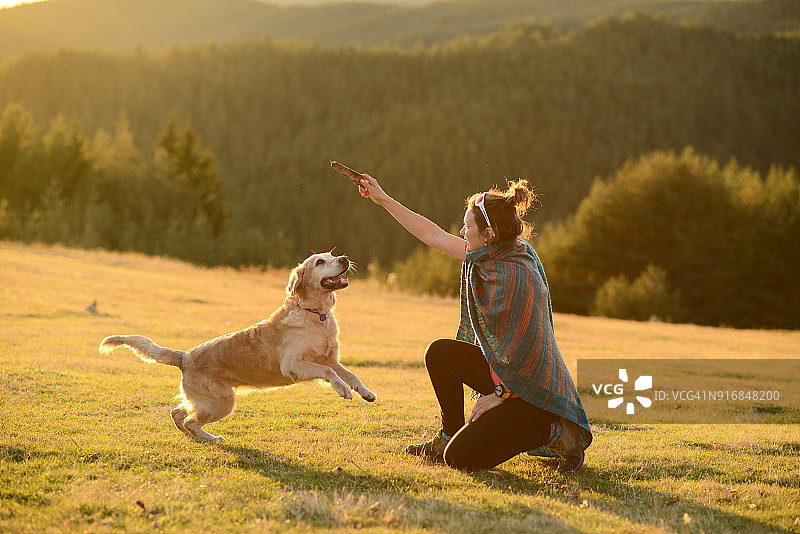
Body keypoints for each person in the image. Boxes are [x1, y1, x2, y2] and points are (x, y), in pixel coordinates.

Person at [357, 173, 592, 472]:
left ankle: (554, 432)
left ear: (489, 234)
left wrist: (500, 395)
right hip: (508, 379)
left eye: (468, 226)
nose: (462, 231)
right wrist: (383, 198)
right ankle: (447, 434)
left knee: (459, 459)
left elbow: (526, 351)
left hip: (532, 394)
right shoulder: (489, 254)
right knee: (439, 353)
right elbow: (434, 235)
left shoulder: (518, 276)